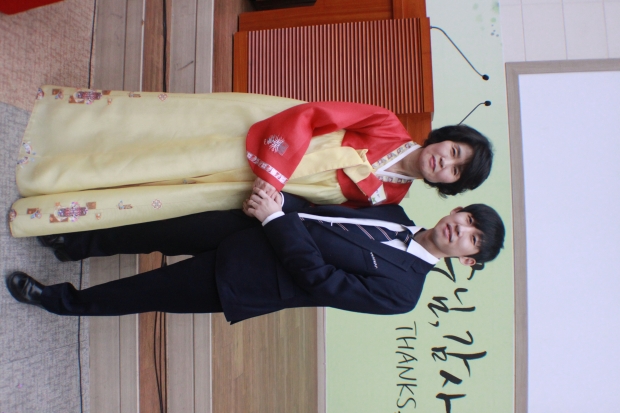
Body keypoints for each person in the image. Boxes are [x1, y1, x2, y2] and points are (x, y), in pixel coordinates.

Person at [9, 86, 492, 238]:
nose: (444, 163)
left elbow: (320, 209)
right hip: (263, 145)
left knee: (164, 195)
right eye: (453, 151)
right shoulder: (386, 124)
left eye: (455, 171)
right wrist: (274, 174)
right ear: (445, 138)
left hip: (256, 189)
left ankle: (51, 209)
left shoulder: (391, 196)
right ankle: (52, 163)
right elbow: (310, 116)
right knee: (160, 155)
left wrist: (273, 202)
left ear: (449, 186)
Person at [5, 190, 505, 321]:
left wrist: (277, 219)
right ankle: (75, 246)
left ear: (467, 261)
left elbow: (320, 279)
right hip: (250, 224)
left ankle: (58, 301)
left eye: (472, 240)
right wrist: (281, 200)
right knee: (155, 230)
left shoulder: (403, 293)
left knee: (143, 292)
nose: (461, 230)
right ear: (456, 209)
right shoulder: (395, 213)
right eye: (467, 219)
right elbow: (324, 209)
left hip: (249, 278)